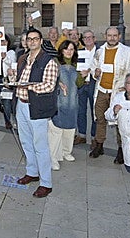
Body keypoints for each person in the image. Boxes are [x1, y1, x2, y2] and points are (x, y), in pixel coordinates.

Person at [89, 27, 130, 163]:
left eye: (115, 35)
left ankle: (121, 150)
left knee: (119, 122)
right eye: (109, 35)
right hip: (102, 91)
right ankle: (99, 145)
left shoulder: (128, 52)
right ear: (105, 36)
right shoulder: (99, 51)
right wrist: (95, 73)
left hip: (118, 93)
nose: (112, 38)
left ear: (119, 36)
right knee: (100, 120)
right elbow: (93, 67)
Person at [11, 28, 58, 198]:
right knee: (26, 142)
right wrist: (13, 78)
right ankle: (32, 172)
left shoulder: (48, 60)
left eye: (35, 39)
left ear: (40, 41)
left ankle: (46, 183)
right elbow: (19, 79)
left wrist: (27, 86)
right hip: (21, 105)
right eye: (29, 39)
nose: (31, 42)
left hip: (37, 106)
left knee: (40, 146)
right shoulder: (23, 58)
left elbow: (49, 85)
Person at [48, 40, 84, 171]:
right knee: (56, 130)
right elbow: (48, 79)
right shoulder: (55, 63)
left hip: (72, 102)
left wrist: (83, 76)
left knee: (70, 129)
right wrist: (58, 83)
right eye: (66, 49)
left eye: (72, 49)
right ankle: (52, 157)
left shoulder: (78, 64)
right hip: (59, 101)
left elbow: (79, 84)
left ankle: (66, 152)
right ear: (61, 50)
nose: (69, 52)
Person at [74, 30, 97, 147]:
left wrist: (90, 71)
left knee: (95, 112)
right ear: (82, 40)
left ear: (94, 38)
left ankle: (94, 137)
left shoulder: (100, 52)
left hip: (94, 84)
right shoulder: (79, 52)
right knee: (80, 111)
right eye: (85, 38)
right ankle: (81, 135)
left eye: (90, 37)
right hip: (82, 85)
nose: (88, 39)